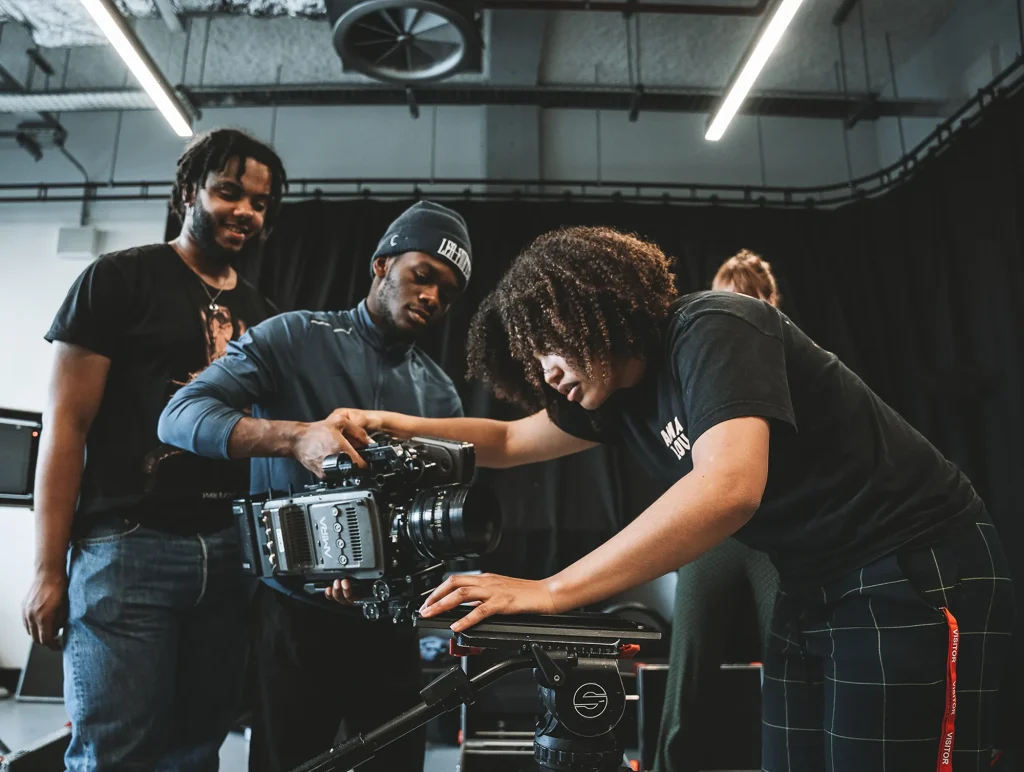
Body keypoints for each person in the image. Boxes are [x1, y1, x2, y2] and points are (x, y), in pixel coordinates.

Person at [331, 226, 1015, 772]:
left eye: (548, 347)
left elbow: (727, 489)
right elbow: (508, 441)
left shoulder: (714, 326)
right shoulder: (615, 396)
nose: (545, 371)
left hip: (915, 565)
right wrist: (391, 424)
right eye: (532, 357)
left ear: (591, 310)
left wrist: (551, 589)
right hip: (815, 582)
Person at [157, 201, 471, 772]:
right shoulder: (293, 336)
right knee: (290, 763)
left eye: (447, 293)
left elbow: (434, 519)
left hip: (389, 622)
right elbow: (179, 415)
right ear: (382, 265)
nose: (431, 297)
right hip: (294, 619)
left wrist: (401, 578)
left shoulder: (440, 393)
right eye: (422, 276)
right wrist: (294, 437)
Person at [21, 128, 287, 770]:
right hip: (127, 548)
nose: (245, 213)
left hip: (229, 553)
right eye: (229, 193)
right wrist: (47, 569)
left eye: (259, 203)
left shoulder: (264, 313)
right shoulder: (119, 279)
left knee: (196, 752)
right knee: (115, 754)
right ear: (189, 191)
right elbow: (65, 431)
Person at [654, 249, 782, 772]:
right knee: (688, 667)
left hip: (774, 534)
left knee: (788, 663)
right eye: (723, 297)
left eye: (745, 298)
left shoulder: (784, 352)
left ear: (767, 302)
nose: (733, 310)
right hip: (716, 533)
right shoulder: (697, 355)